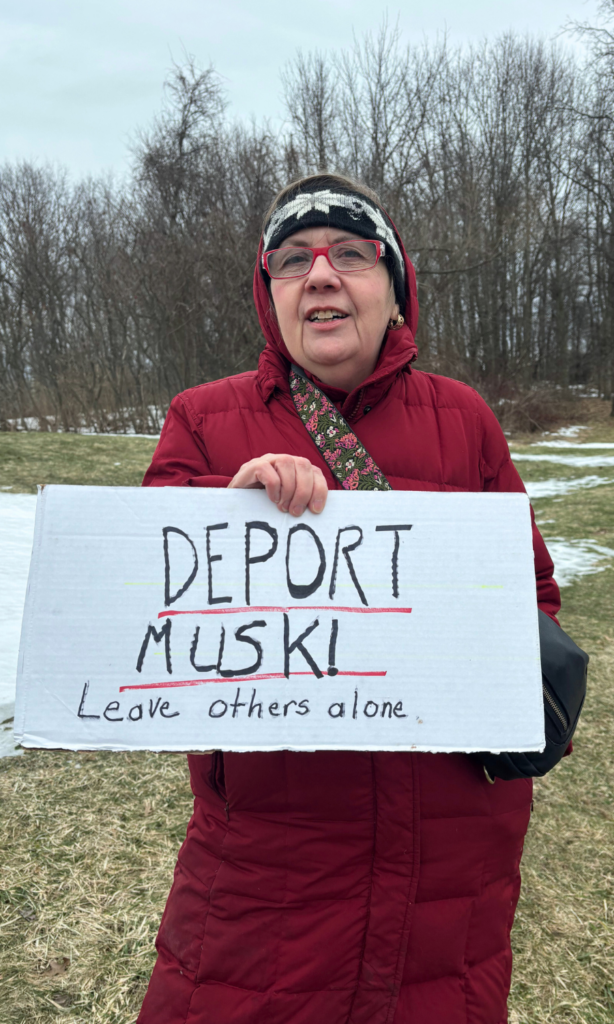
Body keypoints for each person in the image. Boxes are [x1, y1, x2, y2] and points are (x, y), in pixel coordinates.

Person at [137, 172, 560, 1024]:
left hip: (450, 858)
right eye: (293, 260)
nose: (321, 274)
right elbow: (149, 610)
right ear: (271, 298)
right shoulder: (202, 421)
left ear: (395, 292)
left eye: (352, 255)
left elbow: (533, 595)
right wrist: (232, 507)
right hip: (267, 863)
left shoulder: (466, 418)